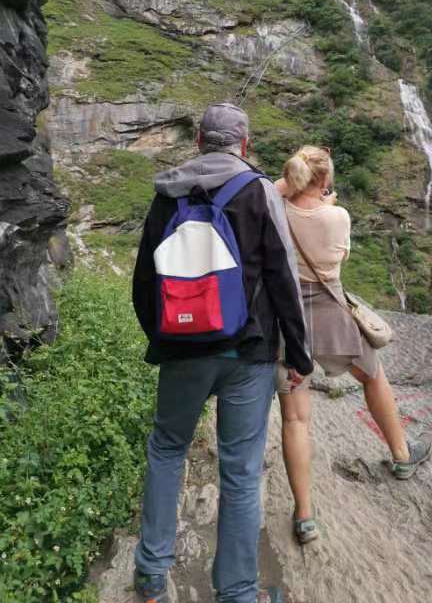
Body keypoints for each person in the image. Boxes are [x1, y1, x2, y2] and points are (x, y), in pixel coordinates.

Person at [132, 103, 313, 603]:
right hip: (248, 354)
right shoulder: (258, 190)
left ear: (198, 140)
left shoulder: (167, 192)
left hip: (181, 350)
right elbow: (283, 277)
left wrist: (166, 338)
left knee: (167, 449)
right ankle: (237, 592)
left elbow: (144, 280)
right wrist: (299, 356)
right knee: (241, 472)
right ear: (244, 144)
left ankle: (150, 576)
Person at [275, 146, 432, 544]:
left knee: (295, 419)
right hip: (330, 314)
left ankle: (305, 516)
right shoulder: (337, 216)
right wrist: (325, 201)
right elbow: (338, 258)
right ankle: (402, 455)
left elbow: (275, 191)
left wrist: (292, 187)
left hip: (286, 321)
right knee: (372, 376)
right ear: (325, 180)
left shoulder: (275, 207)